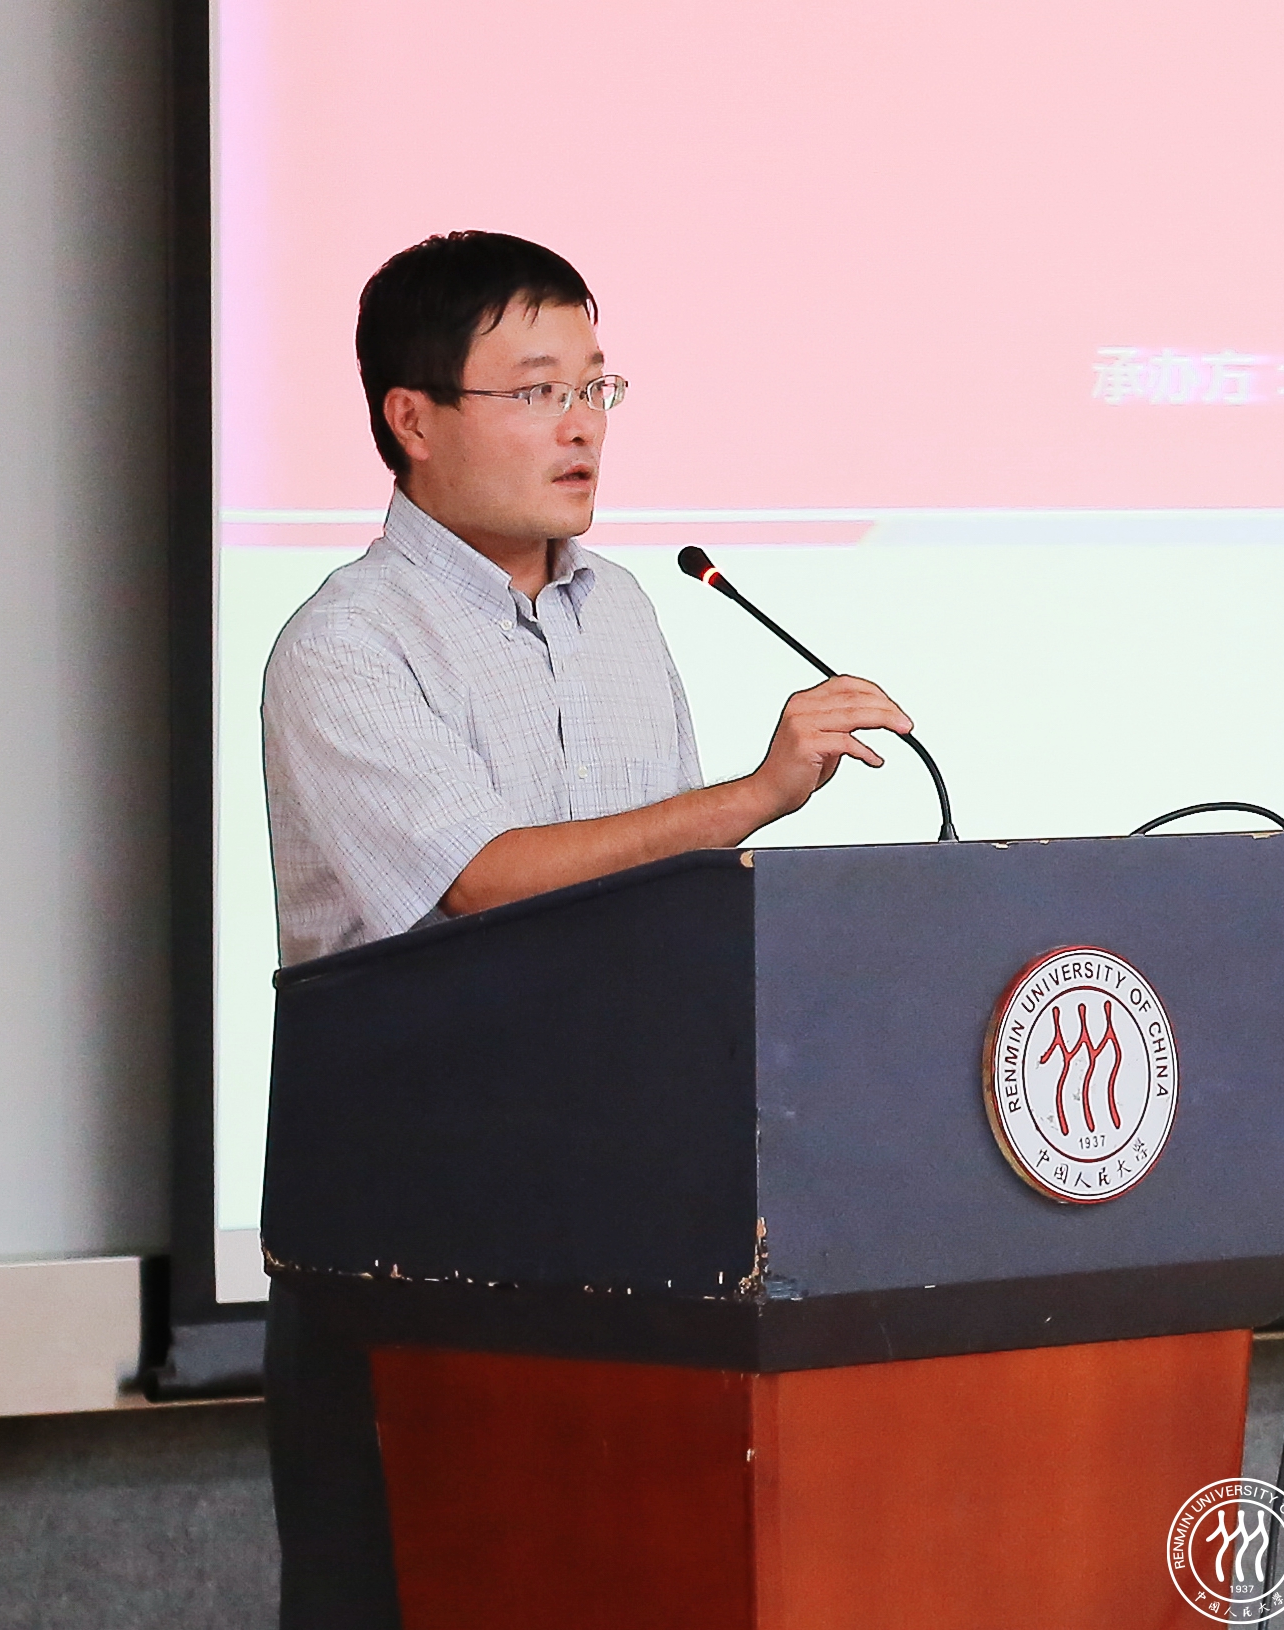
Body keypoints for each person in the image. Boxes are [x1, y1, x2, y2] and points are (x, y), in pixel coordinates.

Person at [256, 230, 915, 1627]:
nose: (580, 425)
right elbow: (485, 883)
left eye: (596, 387)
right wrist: (750, 796)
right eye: (536, 389)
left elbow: (665, 901)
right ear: (413, 417)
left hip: (619, 1224)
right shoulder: (346, 645)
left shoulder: (621, 614)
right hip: (410, 1243)